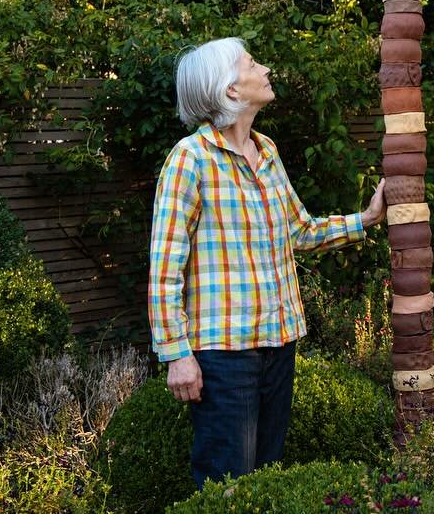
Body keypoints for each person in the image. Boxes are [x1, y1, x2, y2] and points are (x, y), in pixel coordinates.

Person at [148, 36, 386, 488]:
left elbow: (298, 230)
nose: (266, 68)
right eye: (253, 63)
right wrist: (177, 354)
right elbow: (164, 268)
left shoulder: (267, 151)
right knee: (227, 484)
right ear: (231, 90)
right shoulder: (190, 160)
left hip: (278, 344)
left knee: (266, 480)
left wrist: (368, 218)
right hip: (222, 355)